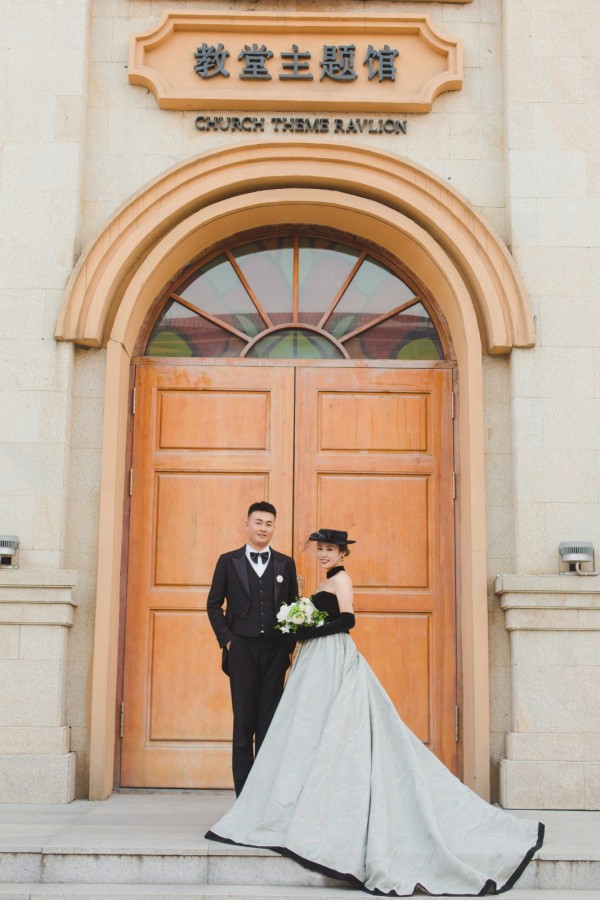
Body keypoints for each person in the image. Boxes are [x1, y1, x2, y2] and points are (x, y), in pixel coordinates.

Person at [206, 528, 544, 896]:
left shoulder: (342, 580)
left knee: (337, 728)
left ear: (342, 554)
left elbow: (349, 620)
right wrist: (304, 628)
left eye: (330, 550)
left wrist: (310, 629)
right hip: (316, 660)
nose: (323, 554)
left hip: (334, 656)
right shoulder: (325, 579)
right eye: (320, 549)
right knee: (309, 730)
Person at [206, 501, 297, 796]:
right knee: (244, 721)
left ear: (274, 527)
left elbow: (293, 607)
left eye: (269, 524)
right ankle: (244, 796)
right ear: (247, 524)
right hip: (242, 649)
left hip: (274, 652)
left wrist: (287, 646)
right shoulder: (228, 561)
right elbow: (213, 604)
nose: (263, 528)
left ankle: (265, 795)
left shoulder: (286, 563)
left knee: (269, 722)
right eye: (258, 522)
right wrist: (229, 640)